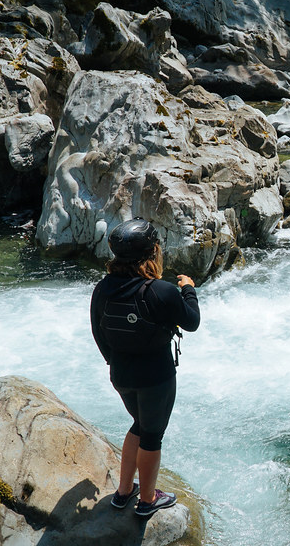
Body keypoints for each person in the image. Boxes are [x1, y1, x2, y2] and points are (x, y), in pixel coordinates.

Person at [90, 218, 201, 517]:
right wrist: (189, 289)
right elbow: (191, 322)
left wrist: (116, 363)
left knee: (139, 425)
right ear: (152, 253)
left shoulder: (102, 289)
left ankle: (124, 491)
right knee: (152, 435)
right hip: (156, 377)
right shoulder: (160, 291)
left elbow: (98, 333)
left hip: (121, 375)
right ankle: (148, 500)